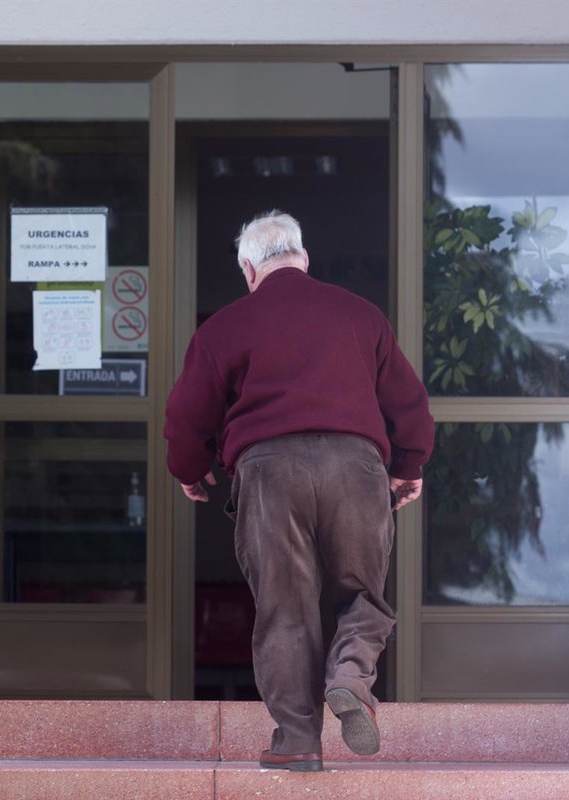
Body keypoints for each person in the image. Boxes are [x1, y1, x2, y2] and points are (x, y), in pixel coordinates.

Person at [164, 210, 433, 773]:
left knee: (285, 608)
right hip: (355, 467)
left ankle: (296, 741)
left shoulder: (223, 327)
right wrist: (408, 466)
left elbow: (187, 414)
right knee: (362, 593)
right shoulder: (360, 315)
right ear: (304, 259)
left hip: (269, 474)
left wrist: (189, 469)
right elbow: (409, 403)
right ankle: (352, 678)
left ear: (248, 269)